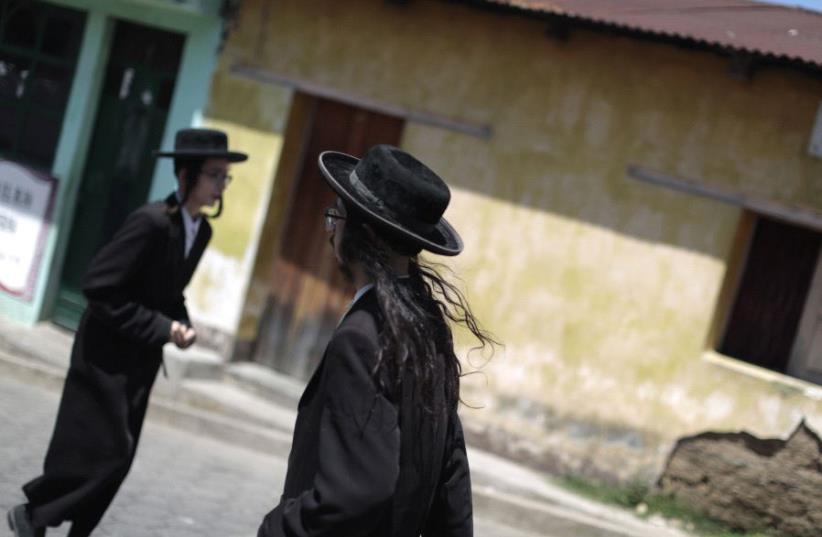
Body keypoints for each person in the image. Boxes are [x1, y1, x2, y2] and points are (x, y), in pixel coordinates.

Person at [7, 128, 248, 537]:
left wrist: (182, 320)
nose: (221, 185)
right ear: (186, 175)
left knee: (120, 456)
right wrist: (163, 327)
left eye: (225, 176)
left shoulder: (200, 231)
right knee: (97, 452)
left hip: (141, 358)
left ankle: (71, 528)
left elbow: (169, 291)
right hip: (103, 354)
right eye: (214, 175)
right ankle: (34, 515)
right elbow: (99, 287)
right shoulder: (150, 221)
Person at [257, 144, 496, 537]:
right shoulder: (426, 325)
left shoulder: (363, 338)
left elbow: (355, 491)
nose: (330, 228)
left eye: (336, 217)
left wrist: (279, 527)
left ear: (362, 232)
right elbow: (451, 471)